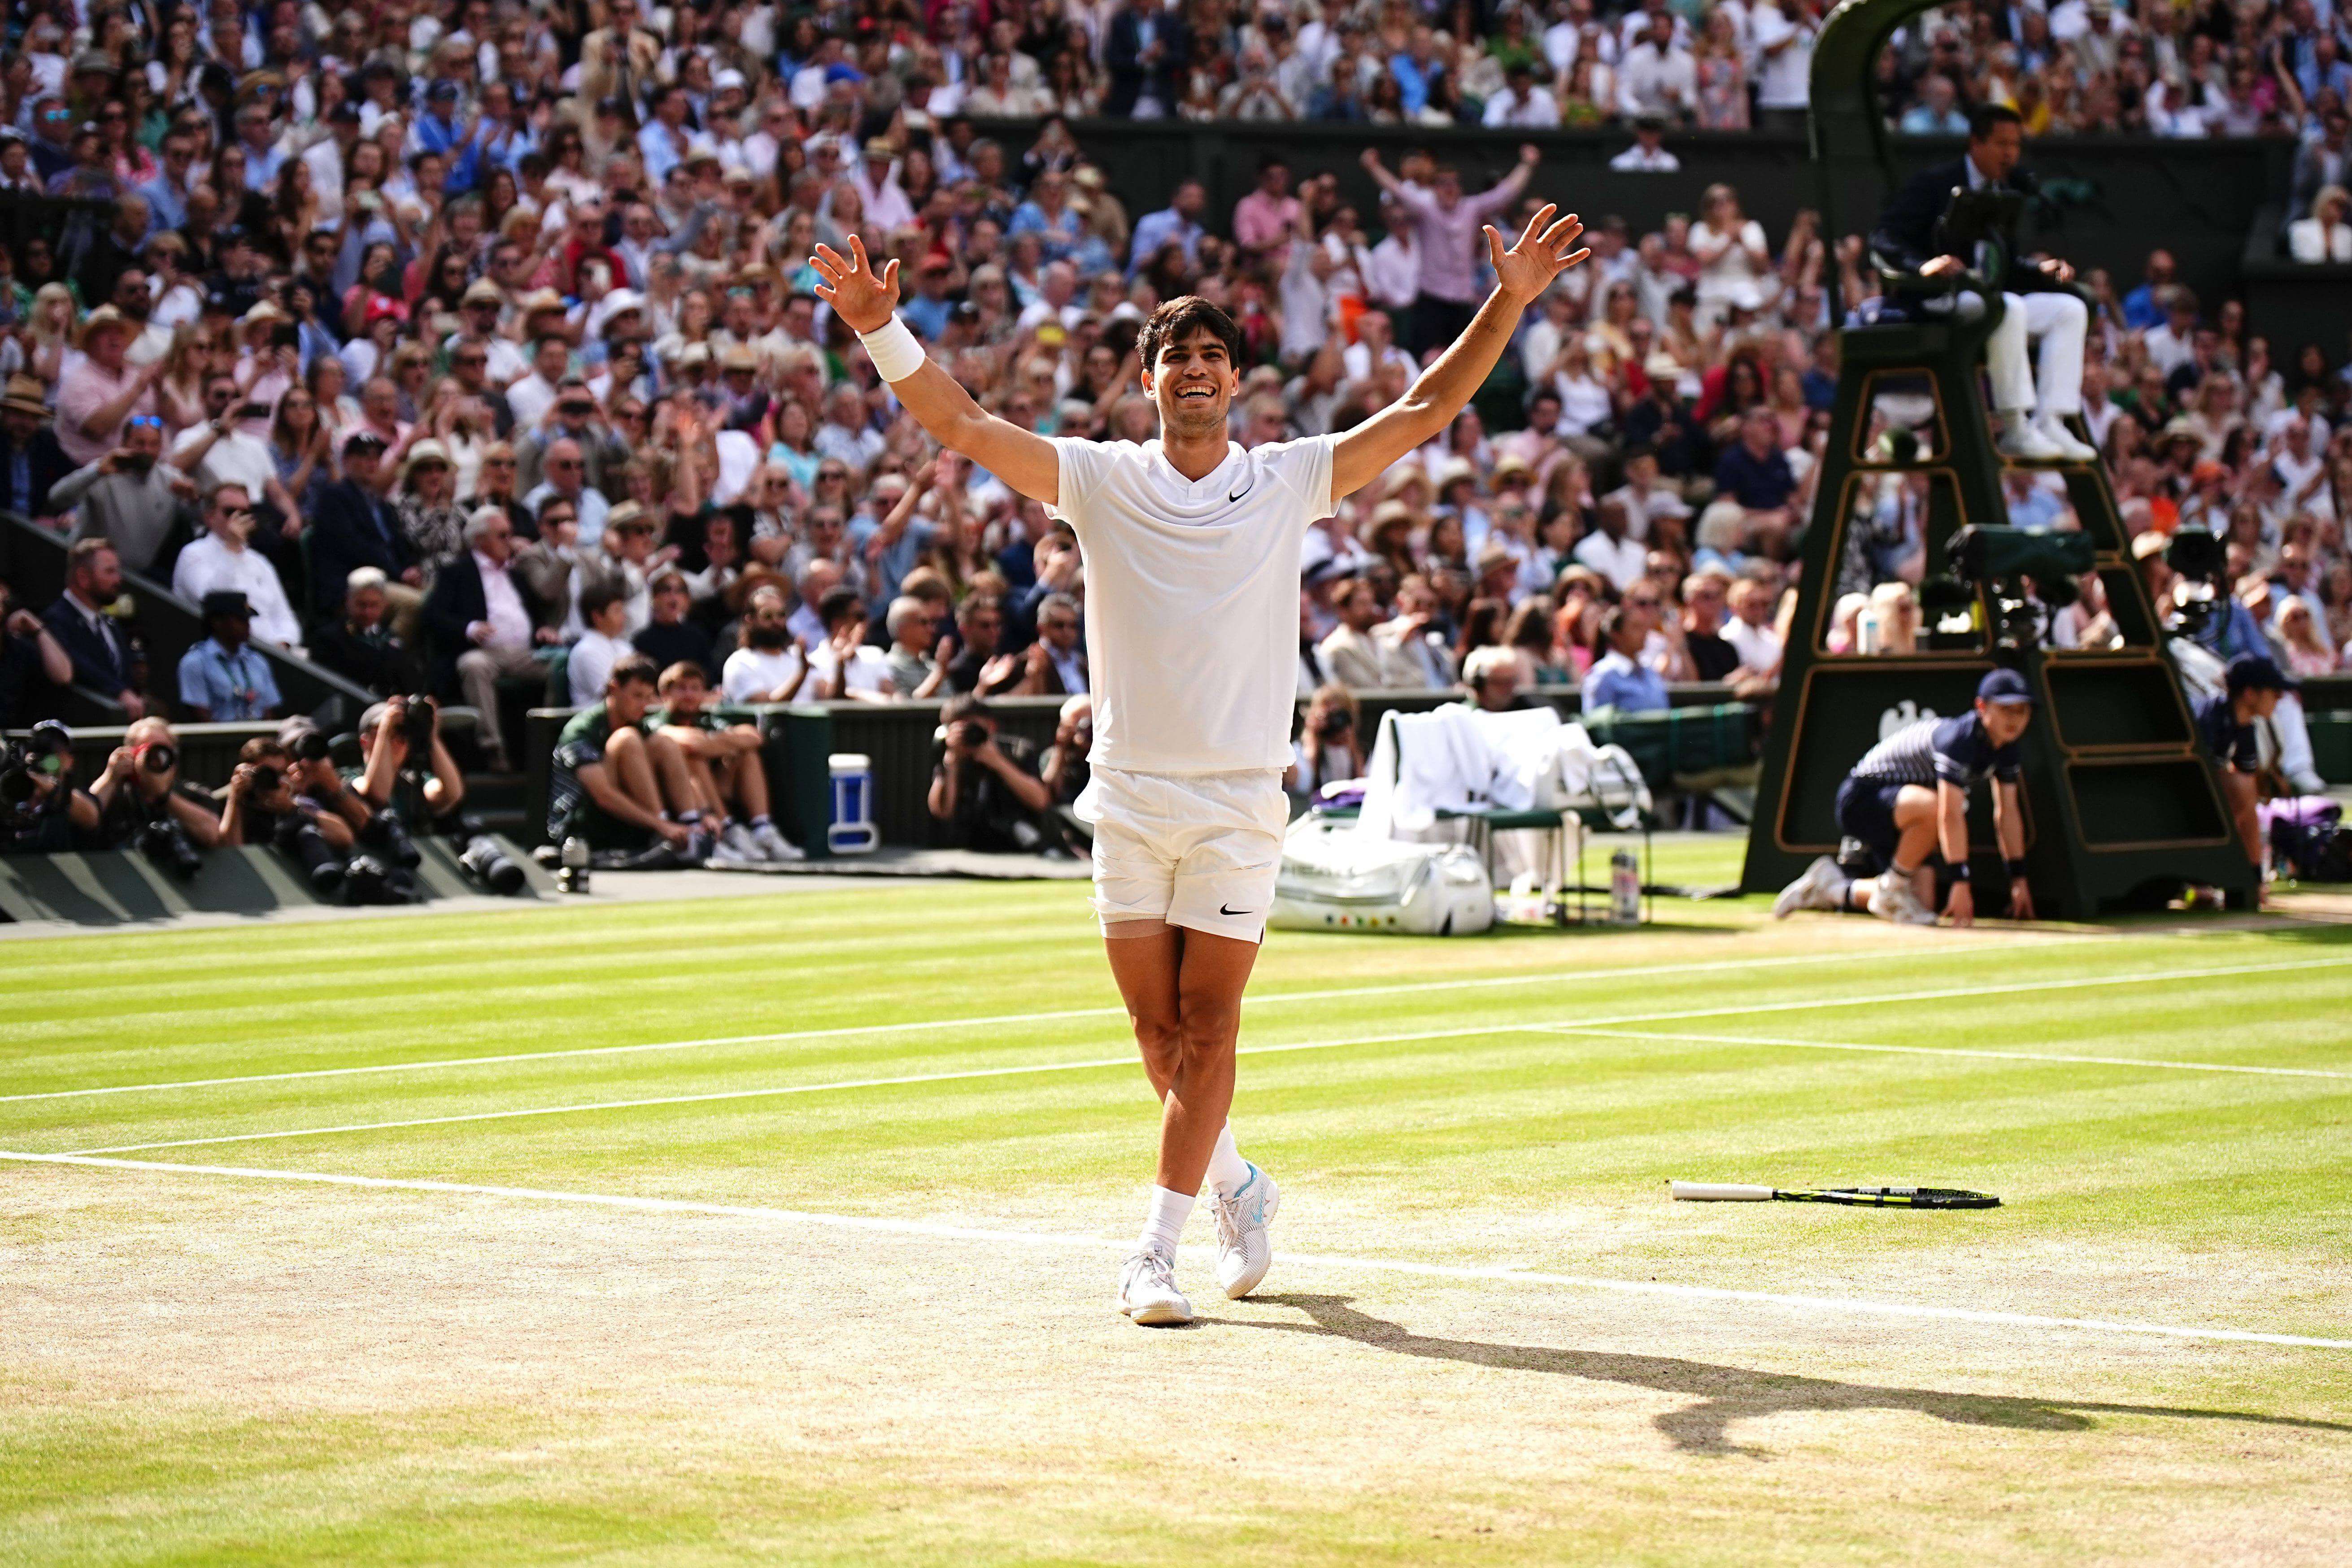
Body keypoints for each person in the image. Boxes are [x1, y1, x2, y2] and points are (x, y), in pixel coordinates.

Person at [809, 192, 1590, 1325]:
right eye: (1176, 356)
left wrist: (1505, 303)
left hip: (1235, 800)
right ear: (1149, 380)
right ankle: (1237, 1182)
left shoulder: (1287, 479)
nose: (1195, 372)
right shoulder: (1099, 477)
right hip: (1126, 792)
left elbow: (1425, 408)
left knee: (1211, 1028)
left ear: (1238, 382)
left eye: (1214, 357)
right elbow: (967, 426)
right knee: (1156, 1035)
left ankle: (1153, 1252)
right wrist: (883, 326)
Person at [1870, 104, 2095, 464]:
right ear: (1976, 142)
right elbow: (1884, 239)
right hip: (1938, 300)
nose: (2010, 154)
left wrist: (2039, 271)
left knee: (2070, 310)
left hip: (1988, 299)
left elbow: (2002, 267)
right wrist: (1925, 265)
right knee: (2008, 308)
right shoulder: (1934, 184)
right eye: (2001, 144)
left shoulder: (2004, 192)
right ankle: (2014, 427)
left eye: (2016, 145)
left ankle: (2052, 421)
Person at [1774, 669, 2038, 926]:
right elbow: (1949, 815)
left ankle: (1831, 888)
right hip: (1862, 801)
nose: (2015, 719)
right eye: (2006, 709)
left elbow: (2007, 814)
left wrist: (2019, 880)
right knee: (1936, 807)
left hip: (1908, 813)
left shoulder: (2007, 748)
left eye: (2022, 710)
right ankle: (1891, 888)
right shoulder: (1959, 740)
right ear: (1981, 707)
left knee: (1921, 904)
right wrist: (1960, 882)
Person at [420, 505, 556, 770]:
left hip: (524, 655)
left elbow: (533, 614)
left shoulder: (516, 574)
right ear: (479, 539)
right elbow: (432, 616)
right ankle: (492, 749)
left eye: (510, 535)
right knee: (474, 665)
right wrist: (469, 628)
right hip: (485, 653)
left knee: (562, 666)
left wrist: (542, 630)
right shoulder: (457, 573)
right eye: (502, 536)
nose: (510, 542)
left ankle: (550, 743)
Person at [545, 652, 705, 867]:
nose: (644, 704)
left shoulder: (639, 723)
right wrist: (662, 826)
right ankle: (664, 832)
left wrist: (706, 813)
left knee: (664, 743)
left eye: (649, 697)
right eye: (637, 696)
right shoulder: (581, 730)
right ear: (613, 689)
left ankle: (693, 829)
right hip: (579, 830)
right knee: (627, 739)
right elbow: (604, 796)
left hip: (628, 825)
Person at [646, 661, 801, 862]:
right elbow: (693, 746)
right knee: (695, 759)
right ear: (665, 694)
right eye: (681, 689)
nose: (689, 695)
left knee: (748, 755)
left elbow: (753, 737)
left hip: (719, 788)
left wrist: (710, 743)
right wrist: (722, 743)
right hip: (679, 797)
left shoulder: (708, 719)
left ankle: (763, 830)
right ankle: (726, 830)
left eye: (695, 689)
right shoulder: (655, 721)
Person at [171, 482, 305, 652]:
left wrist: (284, 642)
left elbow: (285, 617)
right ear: (210, 517)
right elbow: (214, 602)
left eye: (245, 513)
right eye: (230, 512)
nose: (238, 519)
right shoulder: (193, 554)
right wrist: (232, 546)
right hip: (220, 652)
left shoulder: (260, 562)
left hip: (272, 653)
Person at [2197, 655, 2292, 892]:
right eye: (2275, 692)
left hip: (2205, 797)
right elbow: (2199, 775)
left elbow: (2247, 778)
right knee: (2241, 789)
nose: (2279, 699)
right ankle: (2206, 877)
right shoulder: (2211, 716)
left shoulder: (2245, 725)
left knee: (2246, 791)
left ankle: (2253, 881)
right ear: (2250, 694)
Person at [927, 692, 1053, 851]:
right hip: (964, 848)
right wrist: (952, 764)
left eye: (971, 728)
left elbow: (1041, 801)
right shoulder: (948, 755)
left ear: (991, 726)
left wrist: (998, 762)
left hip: (1017, 845)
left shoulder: (1018, 751)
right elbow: (943, 812)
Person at [42, 538, 145, 716]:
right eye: (110, 572)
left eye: (118, 571)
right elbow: (80, 666)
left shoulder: (109, 623)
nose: (118, 580)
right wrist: (120, 692)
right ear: (83, 578)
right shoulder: (56, 620)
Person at [178, 590, 283, 722]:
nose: (248, 626)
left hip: (257, 737)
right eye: (241, 620)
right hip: (219, 740)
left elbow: (269, 711)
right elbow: (201, 716)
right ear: (217, 622)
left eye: (247, 620)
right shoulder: (195, 662)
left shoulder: (257, 661)